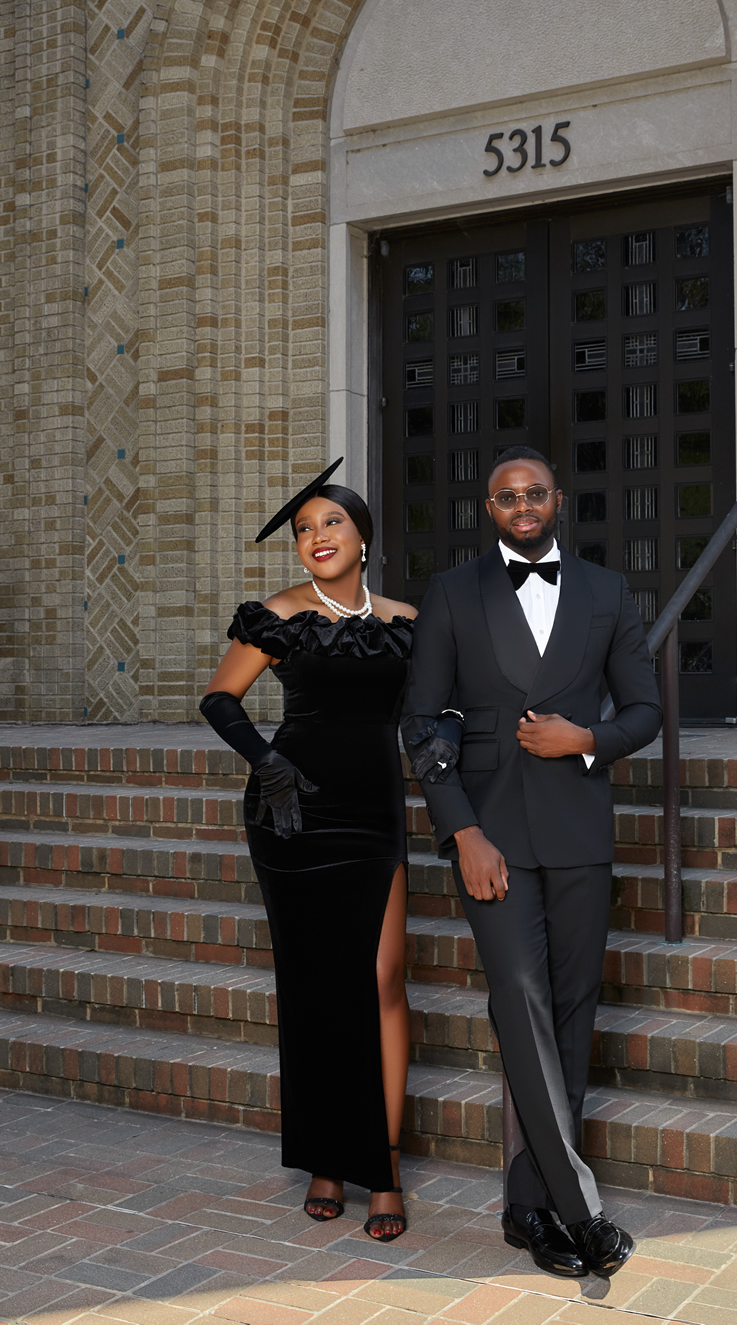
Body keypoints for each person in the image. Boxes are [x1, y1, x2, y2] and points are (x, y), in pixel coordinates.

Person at [401, 446, 662, 1280]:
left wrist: (588, 738)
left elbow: (646, 708)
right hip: (493, 836)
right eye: (507, 496)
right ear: (490, 508)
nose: (523, 505)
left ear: (557, 500)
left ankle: (528, 1205)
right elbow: (421, 723)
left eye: (535, 493)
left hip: (580, 829)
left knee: (571, 1015)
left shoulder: (606, 591)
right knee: (519, 997)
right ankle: (582, 1210)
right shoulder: (453, 592)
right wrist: (462, 832)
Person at [200, 459, 417, 1243]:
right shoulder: (278, 615)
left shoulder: (405, 619)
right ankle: (328, 1157)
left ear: (363, 534)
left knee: (383, 977)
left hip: (374, 813)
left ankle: (382, 1163)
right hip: (292, 813)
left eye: (331, 522)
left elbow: (434, 707)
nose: (317, 536)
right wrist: (267, 762)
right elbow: (219, 698)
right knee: (316, 985)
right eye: (303, 529)